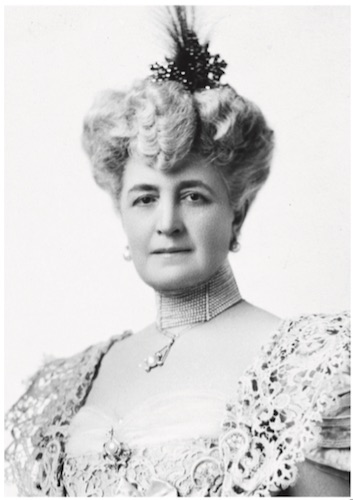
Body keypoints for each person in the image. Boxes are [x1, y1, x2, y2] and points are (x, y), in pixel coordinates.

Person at [5, 6, 350, 497]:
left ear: (237, 211)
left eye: (192, 196)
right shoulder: (70, 383)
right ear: (121, 212)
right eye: (145, 198)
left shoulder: (311, 366)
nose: (166, 223)